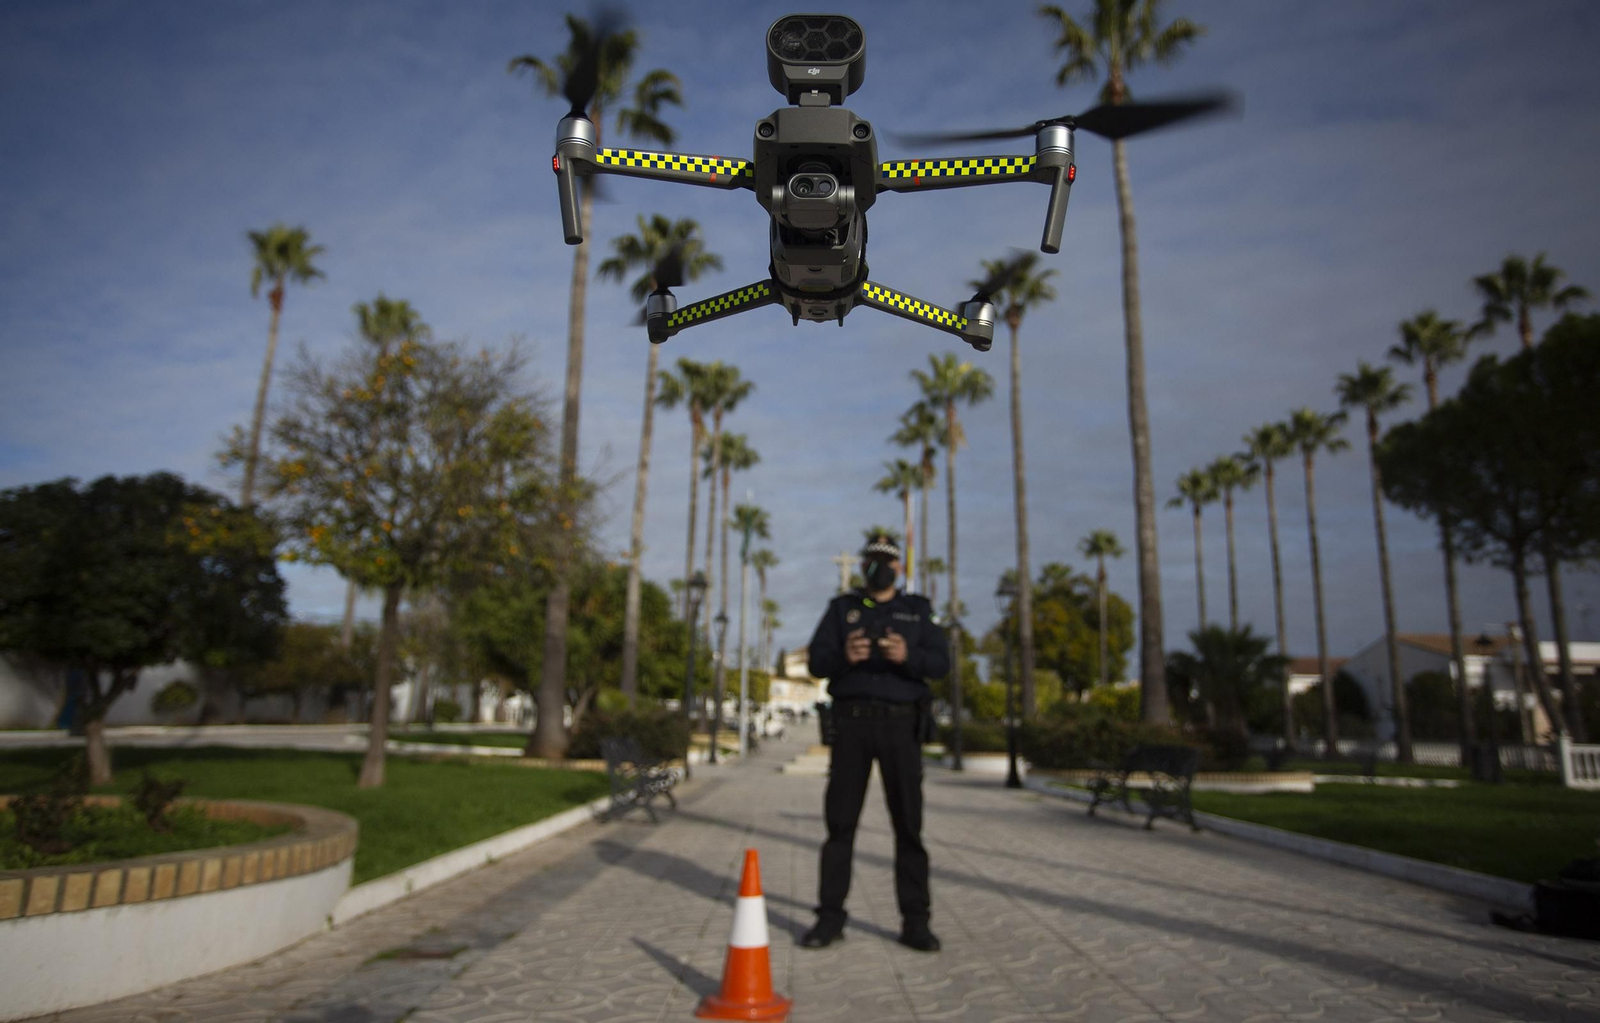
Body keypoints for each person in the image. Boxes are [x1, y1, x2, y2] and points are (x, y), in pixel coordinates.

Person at [800, 533, 950, 952]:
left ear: (899, 567)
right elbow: (816, 661)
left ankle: (916, 923)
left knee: (909, 827)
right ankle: (830, 918)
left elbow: (941, 663)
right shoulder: (842, 609)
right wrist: (844, 656)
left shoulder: (917, 610)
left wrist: (909, 656)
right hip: (852, 727)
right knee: (840, 825)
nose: (879, 567)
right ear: (863, 564)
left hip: (902, 727)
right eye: (872, 560)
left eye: (887, 561)